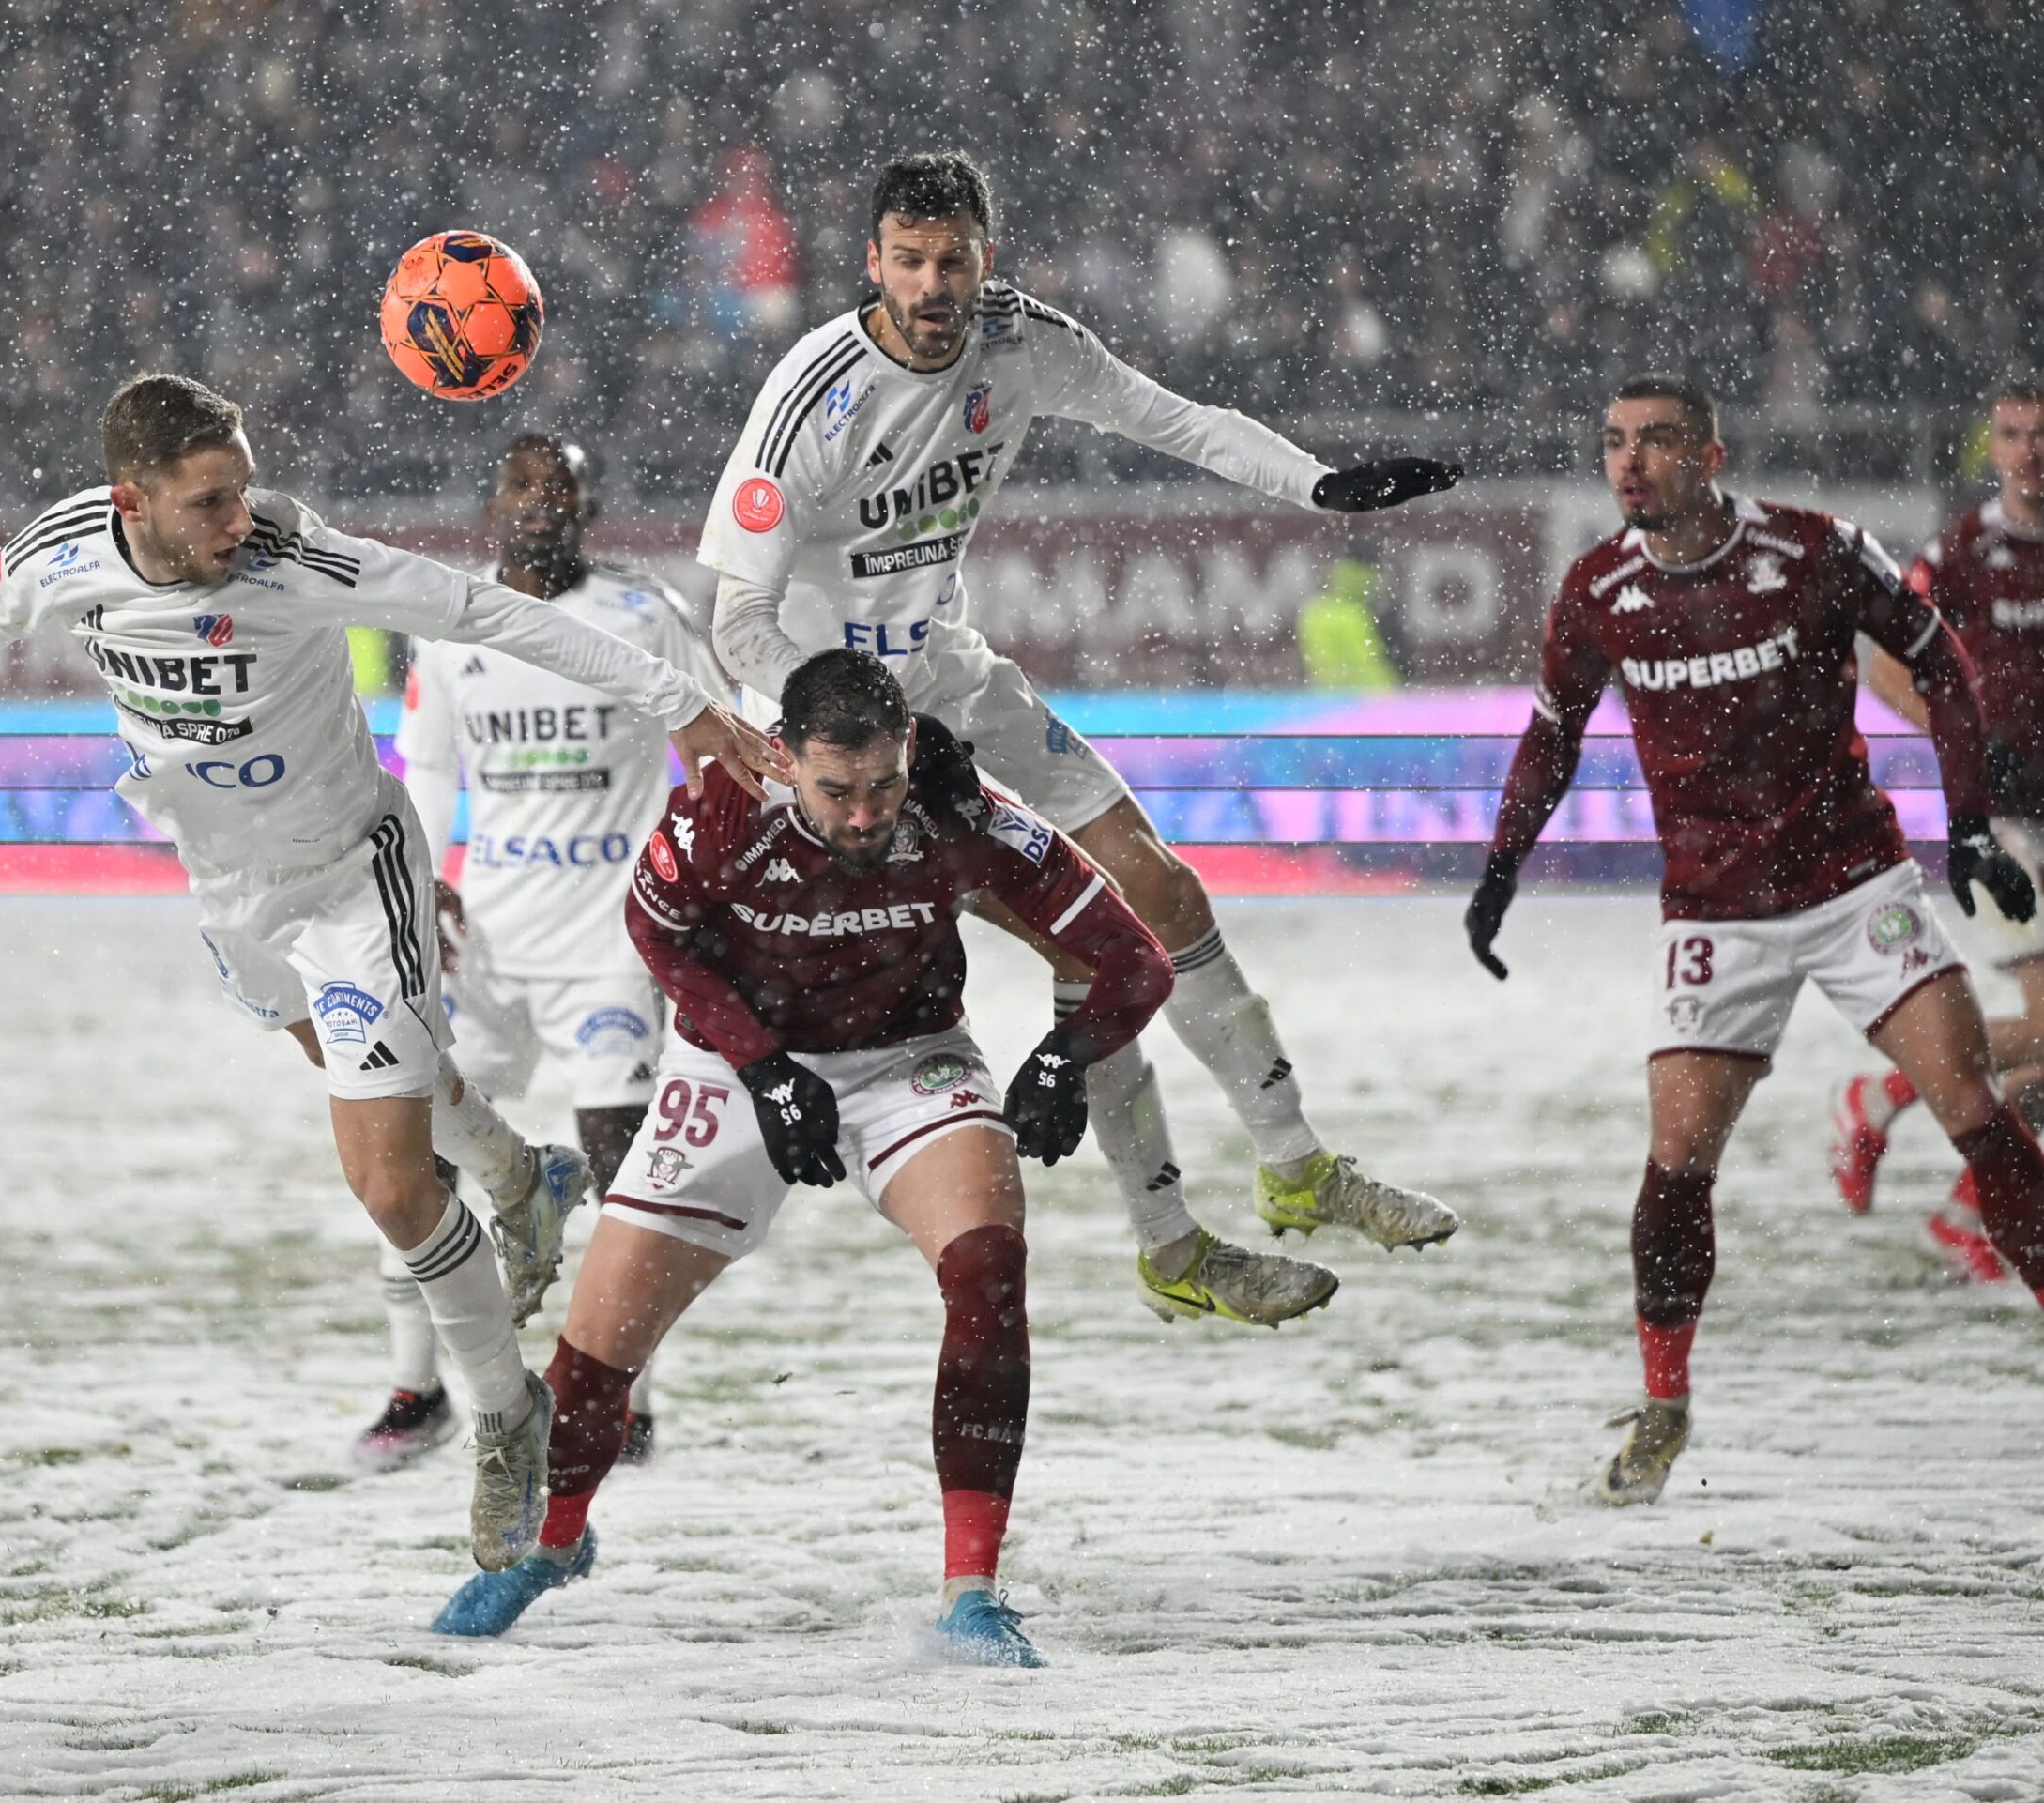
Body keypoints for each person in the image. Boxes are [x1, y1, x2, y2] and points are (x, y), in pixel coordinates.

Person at [0, 373, 774, 1570]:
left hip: (356, 879)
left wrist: (684, 705)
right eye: (208, 502)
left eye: (242, 488)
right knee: (358, 1078)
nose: (237, 519)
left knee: (392, 1187)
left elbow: (487, 613)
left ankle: (509, 1416)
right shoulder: (61, 552)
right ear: (130, 502)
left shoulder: (298, 556)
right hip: (231, 893)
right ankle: (519, 1170)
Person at [702, 150, 1463, 1330]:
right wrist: (849, 722)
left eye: (953, 258)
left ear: (984, 256)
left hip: (952, 681)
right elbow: (735, 620)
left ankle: (1296, 1165)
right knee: (1092, 944)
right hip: (837, 745)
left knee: (1158, 889)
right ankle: (1168, 1238)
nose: (933, 282)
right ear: (871, 263)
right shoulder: (814, 399)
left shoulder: (1023, 339)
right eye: (908, 260)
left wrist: (1318, 488)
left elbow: (1174, 420)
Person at [431, 651, 1176, 1666]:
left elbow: (1140, 957)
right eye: (837, 791)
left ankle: (971, 1592)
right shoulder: (723, 813)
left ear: (910, 750)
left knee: (988, 1268)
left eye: (881, 786)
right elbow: (654, 930)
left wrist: (1065, 1053)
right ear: (784, 759)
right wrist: (764, 1067)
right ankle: (550, 1545)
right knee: (594, 1353)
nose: (865, 816)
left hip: (912, 1060)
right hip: (733, 1067)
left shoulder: (964, 811)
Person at [1464, 374, 2044, 1506]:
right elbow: (1551, 737)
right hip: (1713, 914)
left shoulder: (1812, 549)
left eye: (1657, 442)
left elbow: (1935, 659)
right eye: (1614, 444)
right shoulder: (1597, 591)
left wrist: (1966, 822)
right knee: (1677, 1164)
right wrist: (1498, 869)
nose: (1629, 463)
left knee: (1975, 1106)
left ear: (1712, 454)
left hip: (1852, 883)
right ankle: (1664, 1403)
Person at [358, 434, 721, 1471]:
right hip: (488, 941)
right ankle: (413, 1387)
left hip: (611, 936)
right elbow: (426, 772)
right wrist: (422, 881)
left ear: (587, 505)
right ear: (493, 502)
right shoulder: (451, 626)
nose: (539, 503)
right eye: (520, 484)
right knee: (419, 1153)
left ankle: (626, 1396)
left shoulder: (642, 615)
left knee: (622, 1155)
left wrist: (702, 875)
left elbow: (709, 739)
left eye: (560, 486)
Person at [1830, 375, 2044, 1281]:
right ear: (1991, 447)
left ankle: (1946, 1185)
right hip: (2003, 821)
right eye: (2013, 433)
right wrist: (1965, 744)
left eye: (2041, 434)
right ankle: (1905, 1129)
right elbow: (1883, 665)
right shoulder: (1962, 549)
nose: (2030, 451)